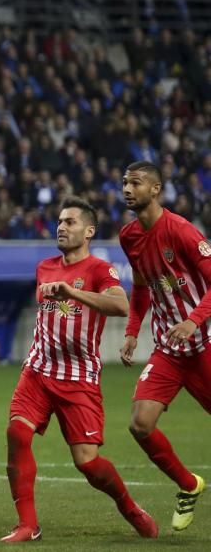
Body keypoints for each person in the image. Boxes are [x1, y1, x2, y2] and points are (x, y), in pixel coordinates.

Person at [2, 197, 158, 543]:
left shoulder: (100, 271)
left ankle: (129, 507)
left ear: (89, 231)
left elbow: (120, 304)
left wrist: (72, 292)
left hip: (79, 377)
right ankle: (28, 525)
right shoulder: (44, 267)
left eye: (70, 222)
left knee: (87, 463)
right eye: (59, 221)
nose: (61, 226)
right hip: (38, 370)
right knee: (16, 434)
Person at [119, 160, 211, 532]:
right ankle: (189, 485)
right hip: (168, 351)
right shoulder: (129, 237)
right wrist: (131, 330)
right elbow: (142, 287)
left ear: (155, 190)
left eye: (136, 183)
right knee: (140, 424)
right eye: (124, 182)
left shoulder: (183, 232)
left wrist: (193, 320)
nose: (127, 189)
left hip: (204, 344)